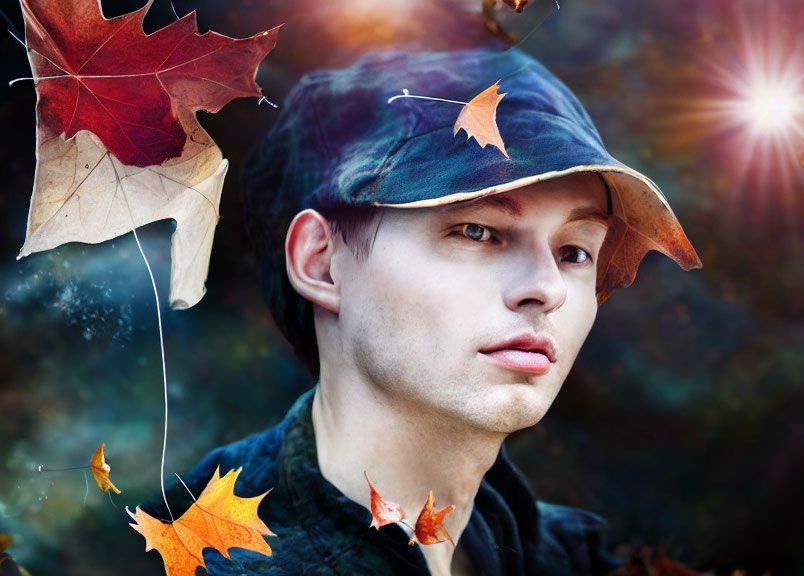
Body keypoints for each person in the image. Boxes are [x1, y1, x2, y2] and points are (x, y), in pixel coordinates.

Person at [146, 47, 701, 575]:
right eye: (478, 231)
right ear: (322, 264)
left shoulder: (562, 552)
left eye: (575, 250)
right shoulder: (198, 555)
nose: (548, 288)